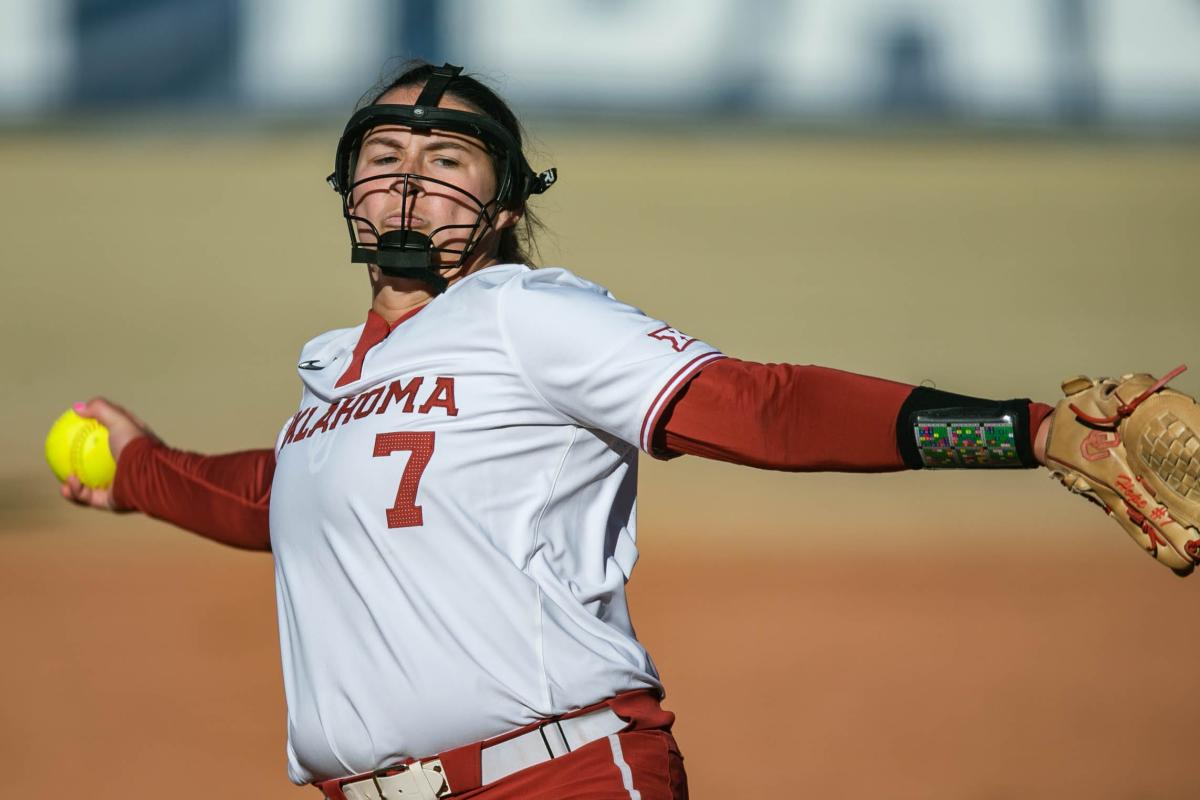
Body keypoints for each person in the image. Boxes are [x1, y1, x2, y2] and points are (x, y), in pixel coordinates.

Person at [57, 62, 1191, 800]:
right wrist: (142, 467)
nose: (408, 179)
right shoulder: (332, 378)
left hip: (558, 780)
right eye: (384, 157)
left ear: (501, 207)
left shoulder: (528, 312)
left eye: (447, 161)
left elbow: (763, 404)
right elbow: (285, 498)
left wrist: (1029, 429)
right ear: (345, 189)